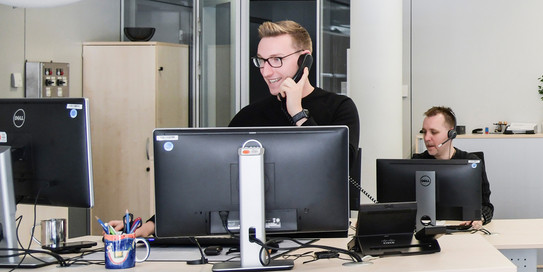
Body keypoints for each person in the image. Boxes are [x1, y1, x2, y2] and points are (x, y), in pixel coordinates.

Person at [110, 20, 360, 237]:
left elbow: (338, 168)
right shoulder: (249, 116)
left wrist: (297, 112)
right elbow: (209, 179)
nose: (266, 71)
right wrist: (153, 223)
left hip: (323, 237)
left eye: (276, 60)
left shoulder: (340, 108)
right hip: (254, 235)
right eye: (261, 61)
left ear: (305, 59)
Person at [413, 106, 494, 229]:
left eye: (433, 132)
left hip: (463, 232)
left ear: (451, 134)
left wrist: (480, 217)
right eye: (424, 132)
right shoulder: (417, 163)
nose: (426, 138)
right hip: (426, 231)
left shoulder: (471, 162)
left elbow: (487, 206)